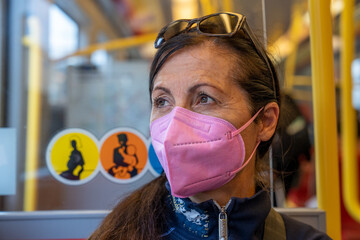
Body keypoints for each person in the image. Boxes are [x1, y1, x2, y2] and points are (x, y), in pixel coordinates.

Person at [90, 12, 331, 240]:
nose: (174, 127)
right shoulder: (120, 231)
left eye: (204, 98)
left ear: (265, 121)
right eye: (162, 101)